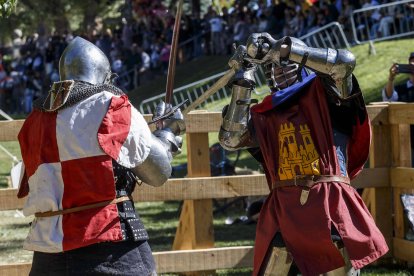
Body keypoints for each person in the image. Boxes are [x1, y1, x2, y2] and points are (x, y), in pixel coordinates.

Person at [218, 32, 389, 275]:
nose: (278, 72)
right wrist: (243, 78)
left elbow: (344, 63)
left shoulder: (329, 94)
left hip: (329, 203)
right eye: (273, 68)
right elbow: (230, 139)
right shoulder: (265, 113)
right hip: (284, 210)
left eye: (284, 65)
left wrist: (285, 50)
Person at [16, 37, 185, 276]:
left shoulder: (33, 120)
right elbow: (158, 172)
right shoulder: (111, 105)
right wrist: (167, 134)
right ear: (104, 74)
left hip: (47, 256)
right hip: (110, 248)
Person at [382, 52, 414, 166]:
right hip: (407, 141)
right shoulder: (401, 89)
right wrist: (391, 78)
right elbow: (388, 98)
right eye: (411, 64)